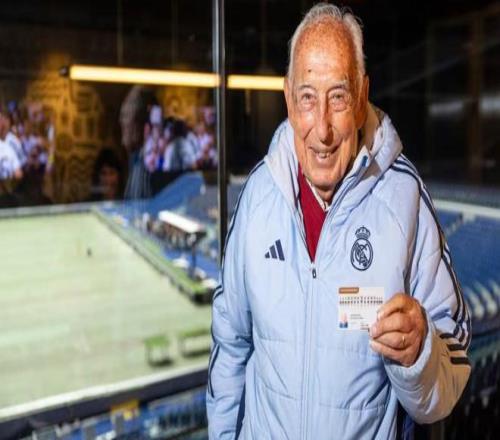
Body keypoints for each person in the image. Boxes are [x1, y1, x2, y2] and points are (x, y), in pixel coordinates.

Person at [206, 3, 471, 439]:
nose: (323, 129)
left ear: (362, 98)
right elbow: (230, 343)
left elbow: (452, 368)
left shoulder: (405, 199)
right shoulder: (258, 196)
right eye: (308, 98)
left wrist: (420, 354)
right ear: (289, 100)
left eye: (338, 97)